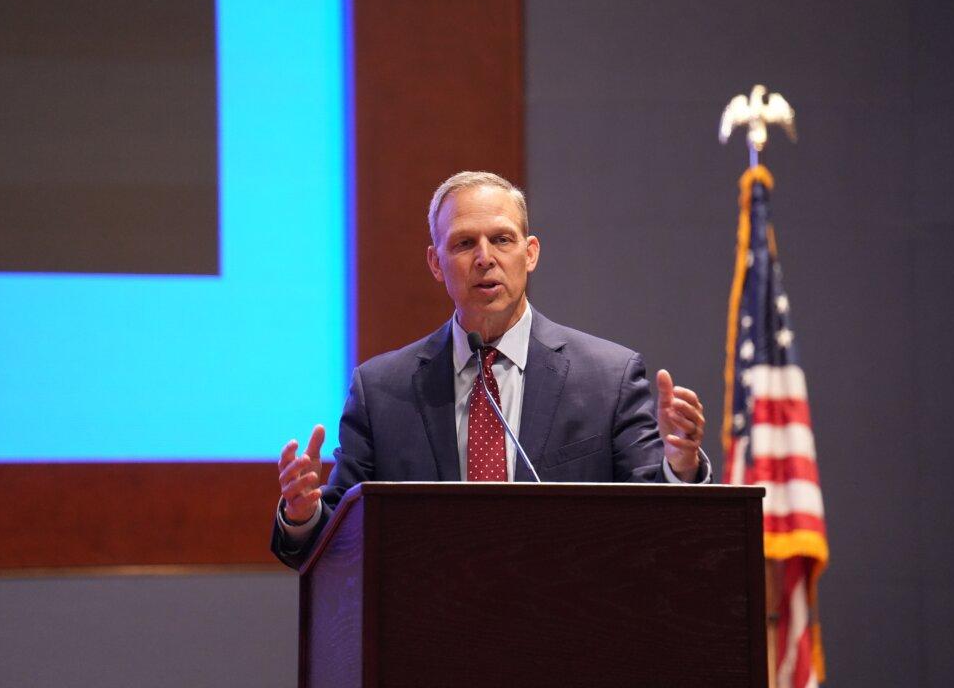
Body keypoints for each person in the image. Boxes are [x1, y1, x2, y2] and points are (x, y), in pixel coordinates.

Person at [271, 171, 708, 568]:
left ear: (530, 253)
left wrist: (680, 466)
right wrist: (303, 514)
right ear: (435, 263)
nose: (485, 258)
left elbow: (659, 522)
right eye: (464, 243)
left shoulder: (607, 378)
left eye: (502, 240)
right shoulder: (382, 391)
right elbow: (334, 542)